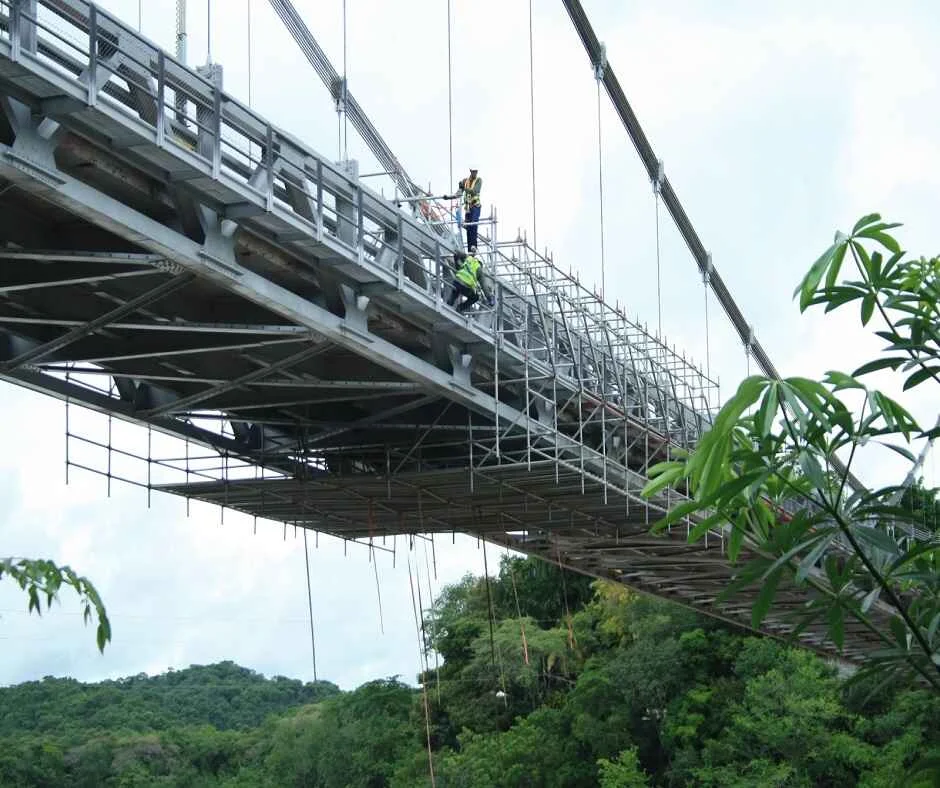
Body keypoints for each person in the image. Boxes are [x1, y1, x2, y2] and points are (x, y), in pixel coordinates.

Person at [447, 248, 493, 313]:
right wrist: (490, 298)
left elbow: (457, 252)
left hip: (457, 281)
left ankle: (450, 301)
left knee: (457, 288)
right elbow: (484, 286)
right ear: (481, 264)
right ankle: (460, 308)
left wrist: (457, 265)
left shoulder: (468, 258)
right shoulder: (479, 270)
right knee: (475, 297)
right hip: (466, 286)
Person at [451, 168, 482, 250]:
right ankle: (470, 249)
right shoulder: (465, 181)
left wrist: (464, 188)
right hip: (468, 208)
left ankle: (473, 246)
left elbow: (475, 191)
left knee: (473, 224)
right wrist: (459, 190)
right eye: (474, 171)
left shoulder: (479, 180)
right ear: (471, 171)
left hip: (475, 206)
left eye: (476, 171)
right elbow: (460, 186)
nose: (475, 173)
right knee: (468, 228)